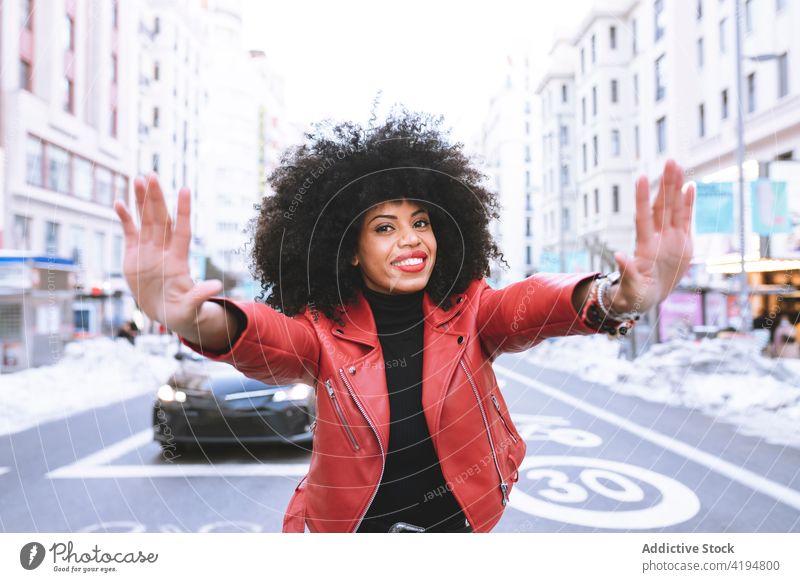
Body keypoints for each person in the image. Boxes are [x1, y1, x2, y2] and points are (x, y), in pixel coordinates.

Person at [113, 108, 694, 533]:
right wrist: (195, 320)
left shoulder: (471, 310)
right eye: (385, 227)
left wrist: (616, 298)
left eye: (421, 221)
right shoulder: (321, 331)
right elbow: (264, 337)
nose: (412, 239)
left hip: (461, 530)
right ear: (348, 246)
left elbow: (532, 304)